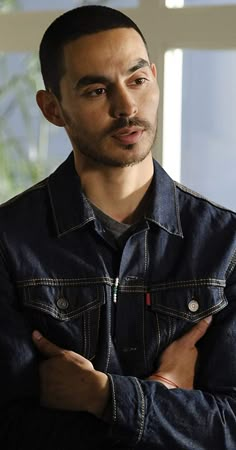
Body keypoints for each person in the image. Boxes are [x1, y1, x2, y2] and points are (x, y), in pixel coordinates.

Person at [0, 4, 236, 449]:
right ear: (53, 108)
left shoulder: (226, 244)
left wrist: (105, 396)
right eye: (95, 91)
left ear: (154, 80)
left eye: (138, 80)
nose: (127, 106)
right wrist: (166, 396)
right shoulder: (9, 243)